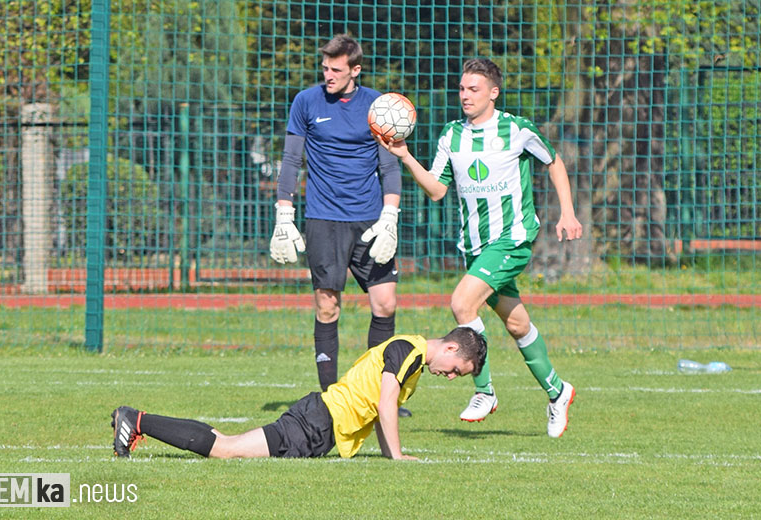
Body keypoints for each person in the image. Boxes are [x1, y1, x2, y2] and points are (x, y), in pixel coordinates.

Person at [376, 58, 582, 437]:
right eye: (461, 88)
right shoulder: (450, 135)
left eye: (474, 89)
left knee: (462, 303)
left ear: (493, 92)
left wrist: (567, 213)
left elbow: (554, 162)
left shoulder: (516, 129)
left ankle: (484, 390)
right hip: (475, 245)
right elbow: (437, 190)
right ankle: (557, 391)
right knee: (517, 324)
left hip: (513, 238)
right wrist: (404, 156)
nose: (465, 96)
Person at [268, 35, 409, 416]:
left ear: (355, 70)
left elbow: (389, 166)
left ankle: (382, 395)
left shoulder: (378, 107)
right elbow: (290, 160)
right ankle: (334, 398)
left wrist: (390, 217)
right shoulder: (306, 102)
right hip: (323, 219)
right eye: (325, 68)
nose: (327, 75)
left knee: (385, 303)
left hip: (369, 219)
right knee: (327, 306)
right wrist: (284, 215)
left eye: (336, 69)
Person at [111, 327, 486, 460]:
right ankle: (136, 419)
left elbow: (377, 407)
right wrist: (399, 457)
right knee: (225, 449)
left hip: (318, 423)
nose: (451, 377)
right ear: (451, 349)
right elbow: (385, 404)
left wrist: (392, 456)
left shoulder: (414, 359)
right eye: (456, 370)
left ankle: (138, 420)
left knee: (226, 443)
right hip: (315, 423)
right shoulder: (410, 351)